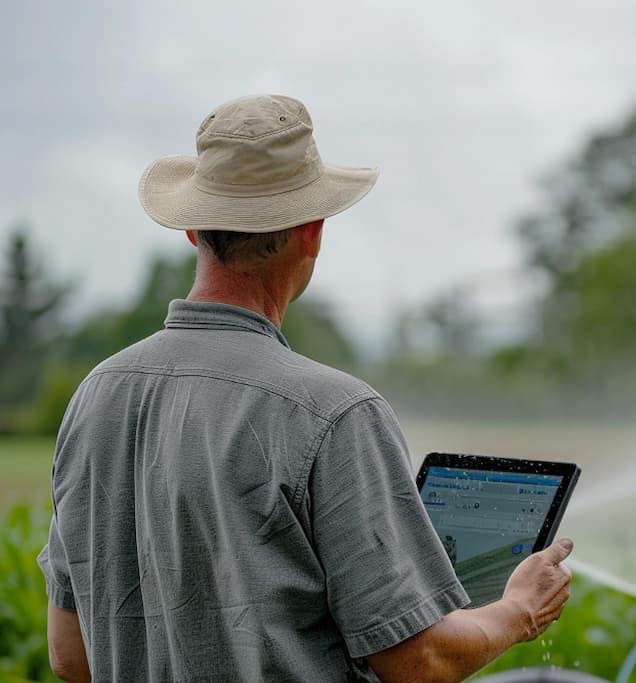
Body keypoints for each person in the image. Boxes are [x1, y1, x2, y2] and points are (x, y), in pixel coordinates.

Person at [38, 94, 573, 682]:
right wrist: (517, 610)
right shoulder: (335, 413)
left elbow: (71, 654)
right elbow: (418, 662)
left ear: (193, 230)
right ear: (312, 232)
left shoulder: (95, 397)